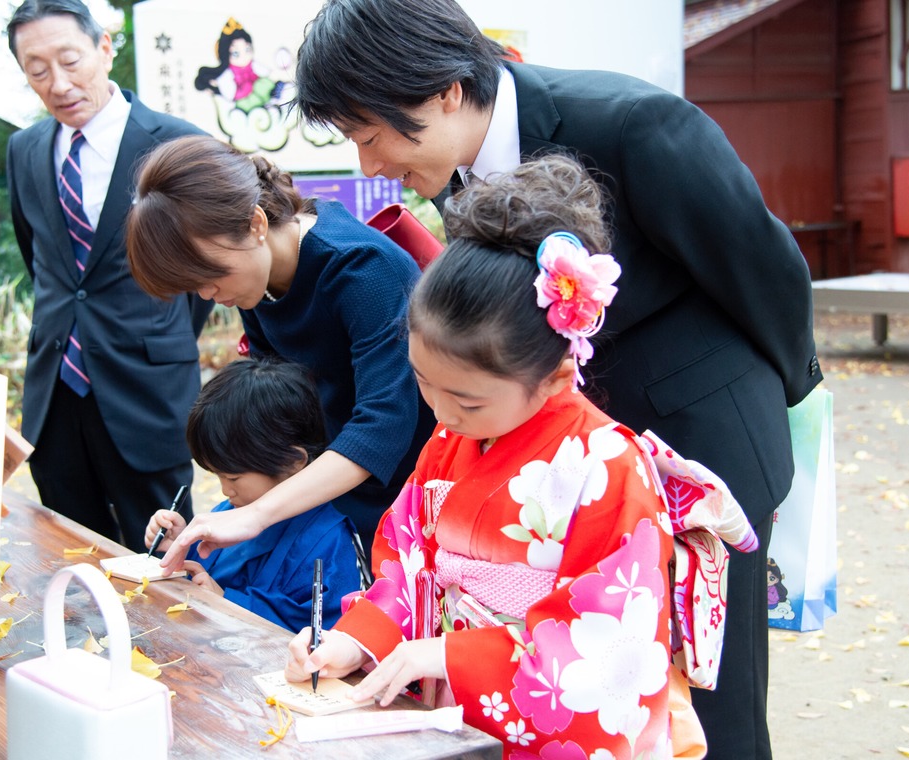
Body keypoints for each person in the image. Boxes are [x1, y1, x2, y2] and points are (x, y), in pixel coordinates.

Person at [293, 2, 823, 756]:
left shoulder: (631, 125)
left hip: (693, 438)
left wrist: (785, 411)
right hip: (536, 443)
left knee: (713, 707)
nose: (368, 166)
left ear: (444, 90)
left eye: (368, 134)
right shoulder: (452, 160)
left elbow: (766, 274)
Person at [287, 154, 761, 757]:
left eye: (468, 400)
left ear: (556, 371)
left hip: (535, 718)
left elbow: (605, 655)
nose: (442, 414)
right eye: (424, 383)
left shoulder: (607, 466)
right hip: (456, 703)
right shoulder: (451, 441)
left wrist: (451, 655)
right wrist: (355, 640)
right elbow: (408, 564)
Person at [126, 134, 434, 571]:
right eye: (194, 285)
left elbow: (383, 424)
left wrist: (256, 514)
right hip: (321, 494)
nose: (209, 295)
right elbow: (277, 411)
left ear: (255, 224)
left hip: (405, 498)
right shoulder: (257, 280)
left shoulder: (362, 269)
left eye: (212, 275)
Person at [5, 0, 211, 550]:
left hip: (146, 386)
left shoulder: (176, 142)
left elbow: (202, 274)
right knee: (68, 553)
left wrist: (158, 331)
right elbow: (43, 260)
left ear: (103, 48)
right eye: (37, 70)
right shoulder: (24, 150)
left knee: (164, 557)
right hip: (55, 392)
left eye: (70, 60)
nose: (58, 83)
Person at [143, 357, 361, 633]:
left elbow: (322, 631)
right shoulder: (230, 511)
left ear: (293, 462)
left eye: (233, 478)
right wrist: (180, 546)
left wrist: (227, 603)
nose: (225, 490)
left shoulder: (328, 543)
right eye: (217, 476)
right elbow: (201, 573)